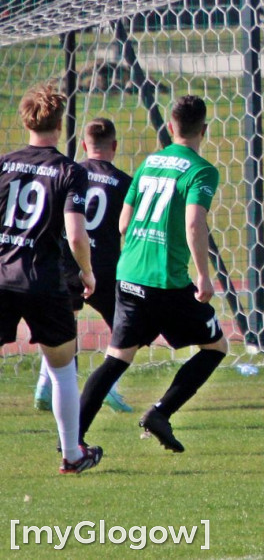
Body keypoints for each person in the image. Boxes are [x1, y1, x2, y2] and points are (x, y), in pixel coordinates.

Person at [78, 95, 228, 452]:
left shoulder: (148, 164)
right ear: (203, 130)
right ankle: (160, 413)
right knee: (216, 346)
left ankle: (72, 439)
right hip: (167, 282)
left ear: (171, 127)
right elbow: (194, 223)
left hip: (128, 276)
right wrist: (204, 277)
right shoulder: (201, 170)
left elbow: (124, 222)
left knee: (117, 359)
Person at [0, 84, 103, 473]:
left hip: (1, 275)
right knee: (62, 369)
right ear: (60, 125)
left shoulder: (4, 163)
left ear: (25, 120)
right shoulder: (69, 171)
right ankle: (72, 456)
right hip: (42, 280)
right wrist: (87, 272)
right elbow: (76, 235)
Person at [34, 118, 133, 413]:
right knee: (125, 328)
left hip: (64, 262)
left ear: (85, 145)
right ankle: (109, 387)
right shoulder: (125, 182)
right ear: (114, 146)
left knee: (62, 324)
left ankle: (44, 384)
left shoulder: (67, 173)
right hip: (103, 268)